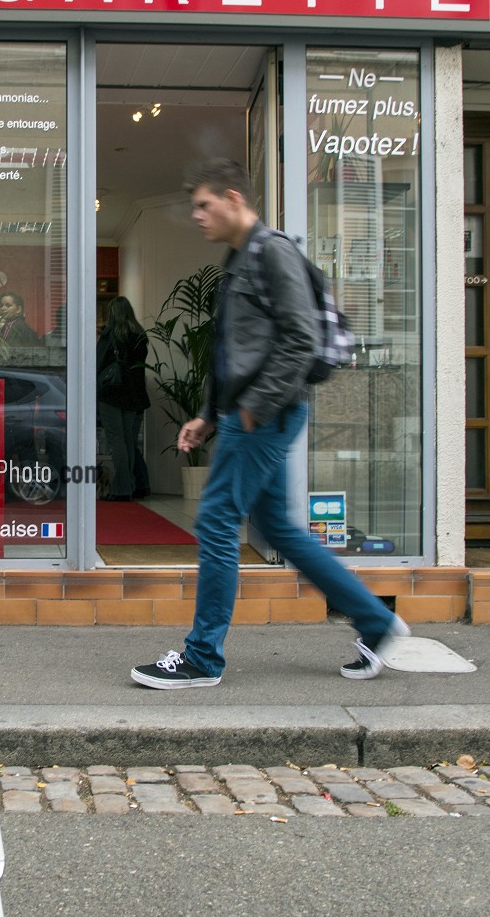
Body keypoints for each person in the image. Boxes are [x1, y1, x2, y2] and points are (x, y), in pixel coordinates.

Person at [131, 158, 409, 688]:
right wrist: (208, 415)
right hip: (250, 412)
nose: (197, 215)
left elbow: (300, 338)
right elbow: (232, 349)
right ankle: (376, 619)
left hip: (264, 414)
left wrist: (253, 407)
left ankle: (202, 659)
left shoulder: (271, 251)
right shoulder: (242, 259)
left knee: (215, 521)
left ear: (234, 199)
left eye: (204, 204)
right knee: (278, 528)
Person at [96, 296, 151, 501]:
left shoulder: (109, 335)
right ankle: (128, 486)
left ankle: (122, 489)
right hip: (134, 395)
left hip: (111, 395)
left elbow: (98, 365)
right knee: (128, 441)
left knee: (116, 441)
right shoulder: (140, 336)